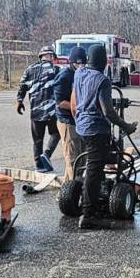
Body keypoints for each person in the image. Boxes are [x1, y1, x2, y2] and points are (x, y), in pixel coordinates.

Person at [72, 44, 138, 229]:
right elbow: (108, 111)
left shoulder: (79, 73)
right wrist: (127, 126)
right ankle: (88, 214)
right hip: (96, 128)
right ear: (103, 62)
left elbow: (78, 98)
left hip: (82, 126)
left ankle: (95, 196)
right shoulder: (102, 80)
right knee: (94, 170)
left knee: (98, 163)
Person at [16, 45, 60, 172]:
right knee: (56, 133)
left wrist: (19, 101)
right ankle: (47, 154)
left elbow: (22, 86)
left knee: (37, 139)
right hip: (52, 111)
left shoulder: (29, 70)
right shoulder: (57, 70)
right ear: (51, 56)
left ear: (40, 56)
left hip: (36, 111)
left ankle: (39, 166)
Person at [52, 47, 87, 181]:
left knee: (82, 156)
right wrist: (78, 108)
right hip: (67, 120)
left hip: (80, 120)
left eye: (82, 63)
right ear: (71, 62)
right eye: (77, 63)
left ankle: (67, 189)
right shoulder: (64, 76)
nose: (80, 66)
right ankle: (75, 191)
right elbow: (60, 102)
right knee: (72, 157)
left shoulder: (84, 74)